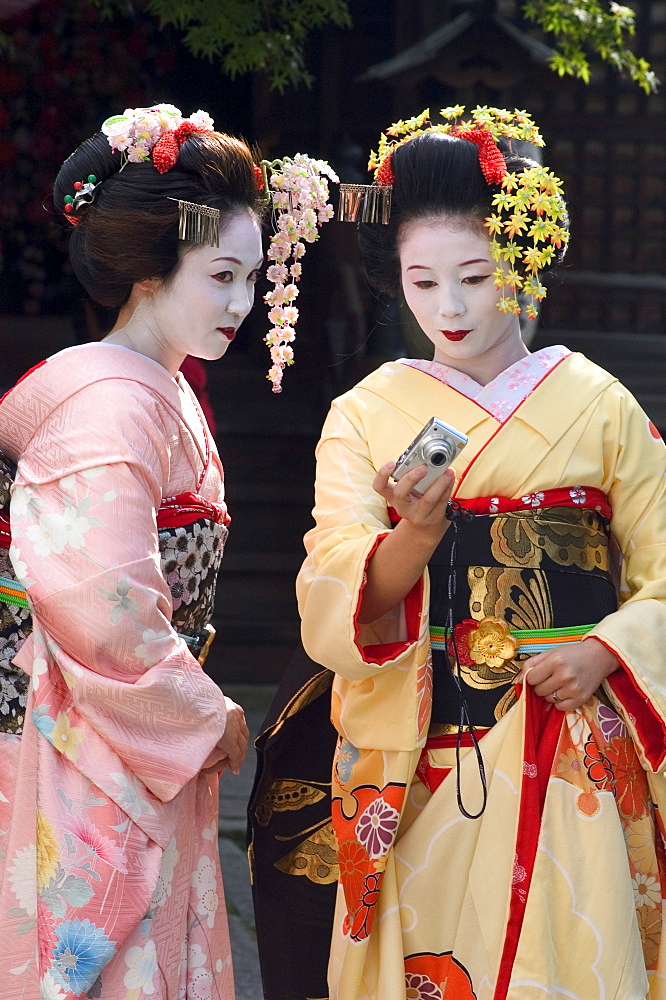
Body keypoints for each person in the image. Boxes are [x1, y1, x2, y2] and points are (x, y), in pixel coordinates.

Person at [253, 106, 666, 1000]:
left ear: (520, 260)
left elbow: (663, 571)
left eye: (475, 277)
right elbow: (333, 582)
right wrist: (418, 534)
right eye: (423, 281)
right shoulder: (365, 413)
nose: (450, 308)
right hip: (419, 754)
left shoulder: (600, 405)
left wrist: (606, 649)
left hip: (572, 749)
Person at [0, 104, 262, 1000]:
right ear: (150, 272)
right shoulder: (109, 408)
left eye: (252, 279)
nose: (241, 304)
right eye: (221, 275)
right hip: (85, 739)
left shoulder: (159, 391)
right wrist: (204, 714)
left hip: (124, 739)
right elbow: (103, 609)